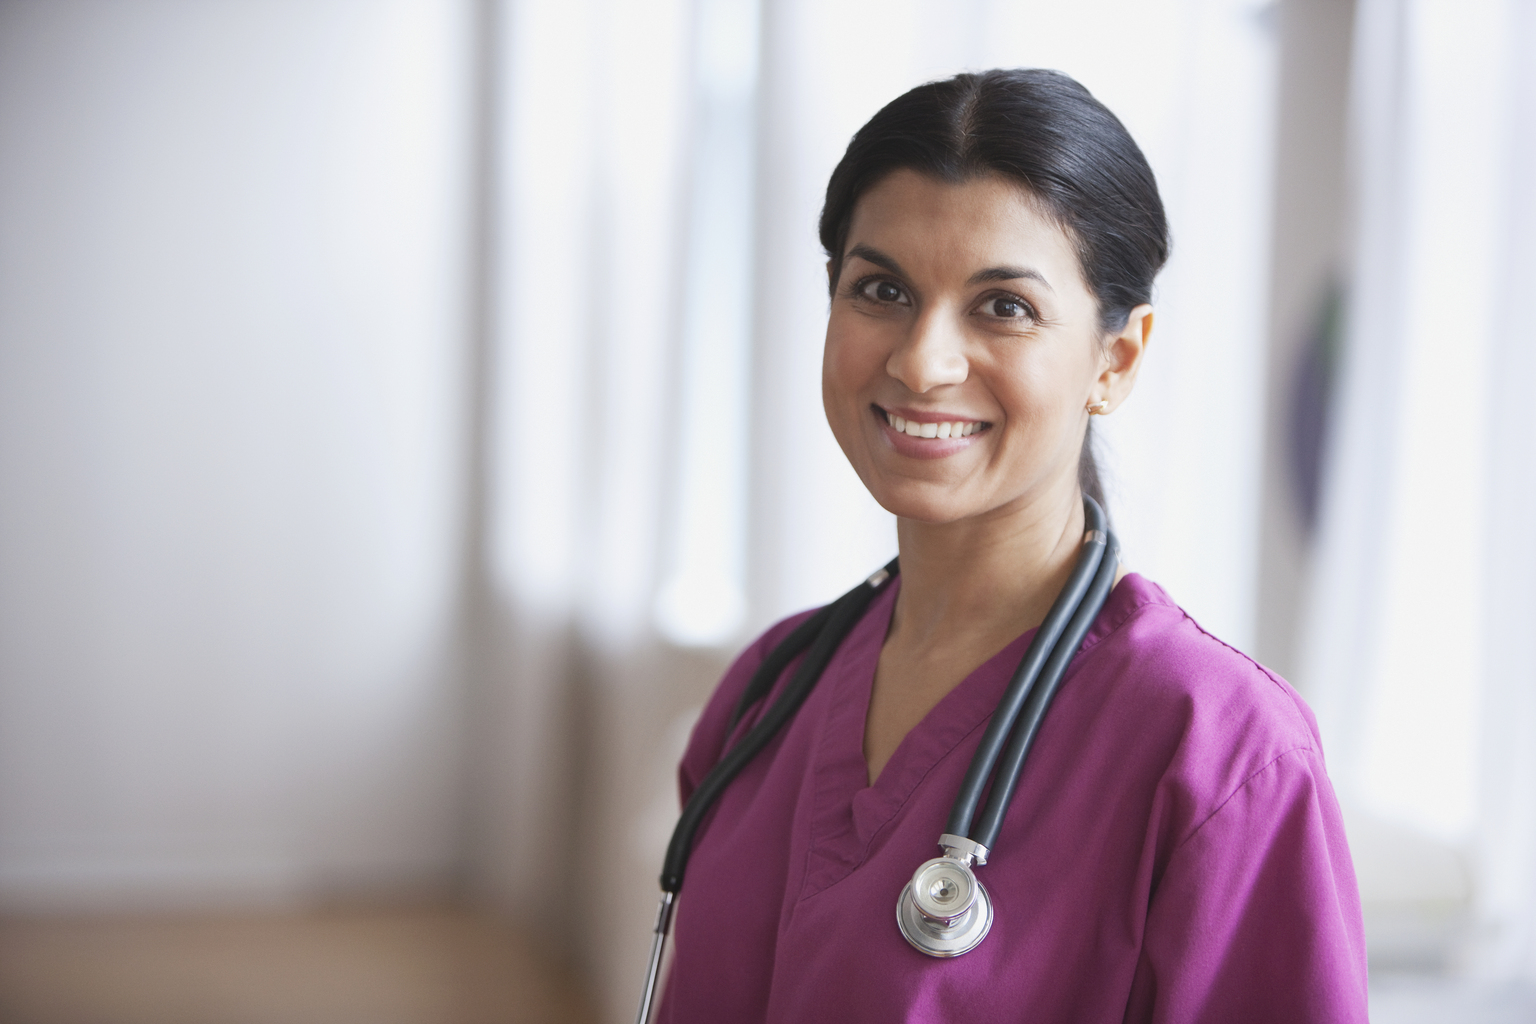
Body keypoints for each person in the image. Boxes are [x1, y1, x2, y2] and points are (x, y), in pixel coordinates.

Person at [656, 69, 1367, 1023]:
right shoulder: (765, 693)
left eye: (1004, 307)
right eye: (882, 290)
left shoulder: (1220, 755)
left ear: (1115, 360)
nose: (922, 361)